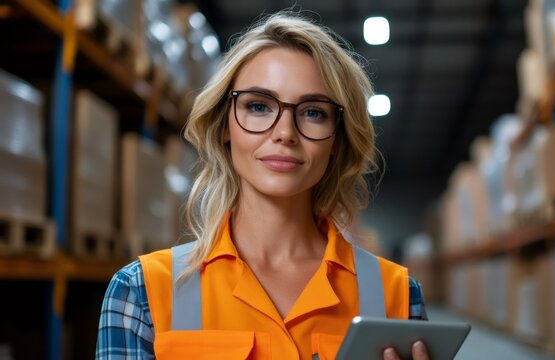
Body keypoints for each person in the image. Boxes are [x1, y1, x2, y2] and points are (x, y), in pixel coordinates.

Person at [96, 10, 429, 360]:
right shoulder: (141, 291)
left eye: (313, 112)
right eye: (258, 106)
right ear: (225, 126)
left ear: (337, 139)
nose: (284, 133)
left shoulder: (398, 296)